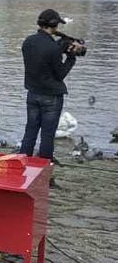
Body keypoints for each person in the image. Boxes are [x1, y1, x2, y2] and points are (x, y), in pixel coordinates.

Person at [20, 9, 82, 160]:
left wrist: (59, 47)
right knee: (47, 136)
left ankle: (20, 166)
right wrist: (71, 58)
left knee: (30, 132)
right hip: (51, 98)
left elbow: (40, 61)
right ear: (53, 25)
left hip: (32, 94)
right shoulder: (53, 48)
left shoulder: (28, 41)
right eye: (56, 25)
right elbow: (60, 74)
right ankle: (45, 171)